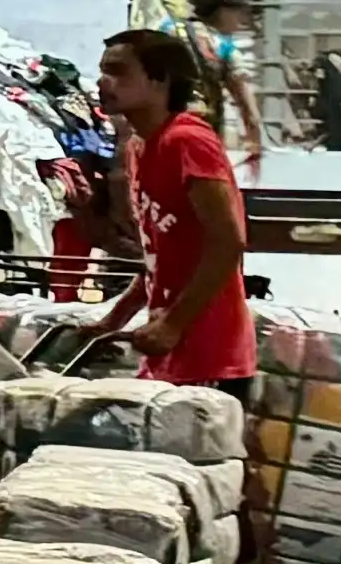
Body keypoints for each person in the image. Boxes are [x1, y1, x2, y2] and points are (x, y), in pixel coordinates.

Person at [83, 22, 259, 388]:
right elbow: (158, 259)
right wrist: (112, 321)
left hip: (210, 357)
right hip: (167, 352)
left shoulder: (187, 141)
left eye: (117, 72)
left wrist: (173, 324)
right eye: (102, 71)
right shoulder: (138, 146)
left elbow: (228, 241)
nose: (102, 83)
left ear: (159, 81)